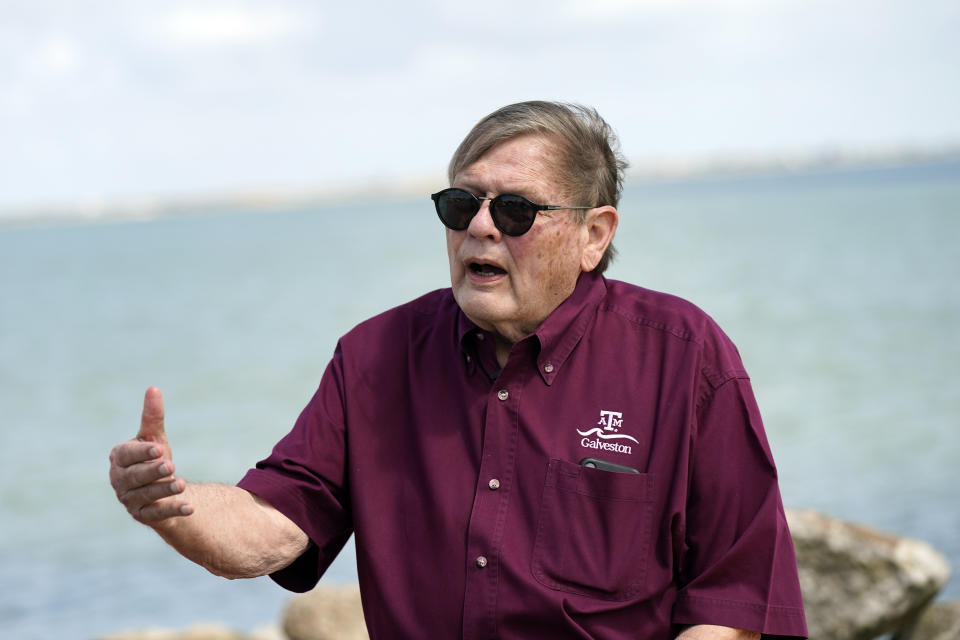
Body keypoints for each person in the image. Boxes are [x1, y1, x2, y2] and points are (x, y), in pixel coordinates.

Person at [109, 101, 807, 639]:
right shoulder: (374, 358)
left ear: (594, 235)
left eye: (514, 209)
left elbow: (736, 597)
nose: (479, 226)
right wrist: (174, 505)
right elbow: (276, 525)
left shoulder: (684, 358)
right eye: (460, 204)